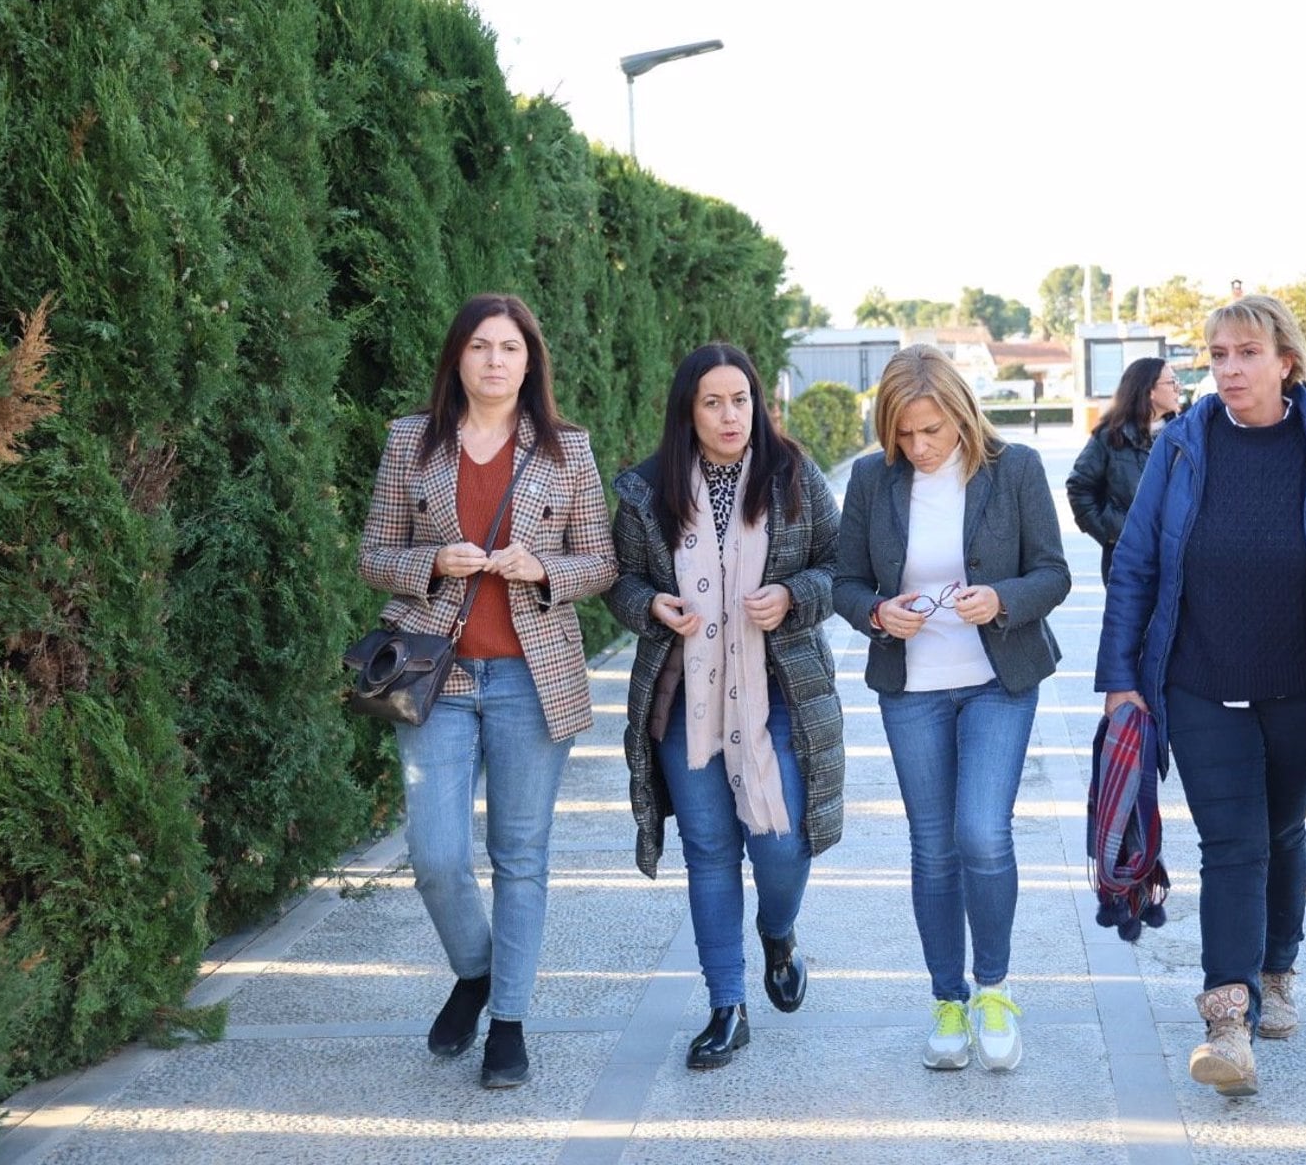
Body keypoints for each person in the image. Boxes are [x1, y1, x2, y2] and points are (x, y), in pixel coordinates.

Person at [1095, 296, 1306, 1098]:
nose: (1227, 369)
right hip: (1198, 681)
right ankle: (1227, 1018)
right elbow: (1135, 566)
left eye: (1245, 353)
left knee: (1283, 829)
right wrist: (1122, 681)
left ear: (1285, 363)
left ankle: (1278, 968)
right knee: (1232, 842)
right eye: (1216, 354)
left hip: (1300, 686)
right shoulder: (1181, 451)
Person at [359, 292, 619, 1090]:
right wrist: (432, 562)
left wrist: (544, 569)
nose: (495, 361)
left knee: (521, 857)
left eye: (510, 348)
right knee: (435, 854)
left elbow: (601, 563)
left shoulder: (566, 450)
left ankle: (507, 1022)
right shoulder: (412, 441)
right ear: (458, 359)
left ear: (530, 361)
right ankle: (475, 972)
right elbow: (373, 552)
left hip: (531, 682)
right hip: (436, 677)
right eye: (480, 347)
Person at [833, 344, 1071, 1074]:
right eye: (904, 433)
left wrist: (1002, 599)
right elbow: (844, 583)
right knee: (933, 849)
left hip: (999, 680)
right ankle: (947, 999)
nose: (919, 446)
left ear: (963, 416)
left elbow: (1053, 574)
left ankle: (994, 990)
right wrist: (878, 614)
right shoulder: (873, 480)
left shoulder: (1017, 468)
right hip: (914, 688)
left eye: (932, 430)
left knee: (981, 834)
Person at [606, 343, 844, 1071]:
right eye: (712, 402)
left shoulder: (793, 476)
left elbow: (844, 567)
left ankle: (779, 931)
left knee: (780, 844)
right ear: (688, 411)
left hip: (779, 694)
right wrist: (652, 605)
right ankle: (726, 1006)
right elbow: (620, 585)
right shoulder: (649, 492)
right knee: (709, 851)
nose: (730, 414)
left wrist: (795, 595)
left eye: (740, 399)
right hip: (688, 702)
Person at [1066, 357, 1181, 583]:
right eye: (1171, 382)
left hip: (1176, 555)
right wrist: (1110, 533)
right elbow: (1079, 487)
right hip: (1127, 559)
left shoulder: (1184, 433)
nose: (1178, 388)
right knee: (1129, 618)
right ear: (1150, 391)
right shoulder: (1110, 437)